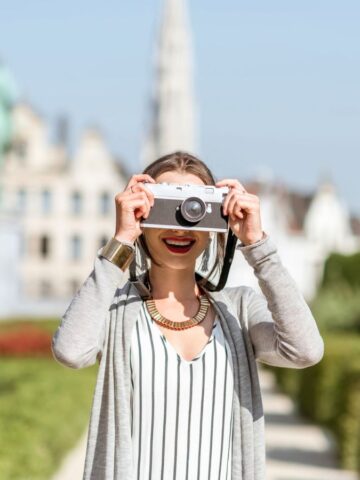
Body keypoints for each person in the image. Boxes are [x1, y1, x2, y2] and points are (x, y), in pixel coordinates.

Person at [52, 151, 324, 480]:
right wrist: (121, 240)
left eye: (196, 209)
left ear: (216, 222)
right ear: (141, 215)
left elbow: (305, 350)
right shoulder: (115, 308)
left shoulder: (237, 310)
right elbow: (70, 350)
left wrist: (257, 244)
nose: (181, 225)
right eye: (166, 208)